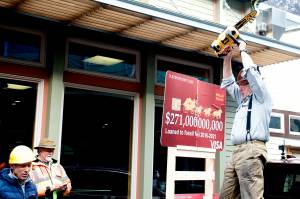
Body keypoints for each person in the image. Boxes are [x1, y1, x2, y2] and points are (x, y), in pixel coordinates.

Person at [219, 41, 272, 199]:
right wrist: (227, 57)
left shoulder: (261, 97)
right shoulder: (242, 100)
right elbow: (228, 82)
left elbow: (251, 71)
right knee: (226, 196)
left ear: (253, 85)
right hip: (236, 152)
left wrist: (242, 49)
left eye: (243, 84)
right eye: (240, 84)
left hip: (252, 150)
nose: (239, 87)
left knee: (251, 196)